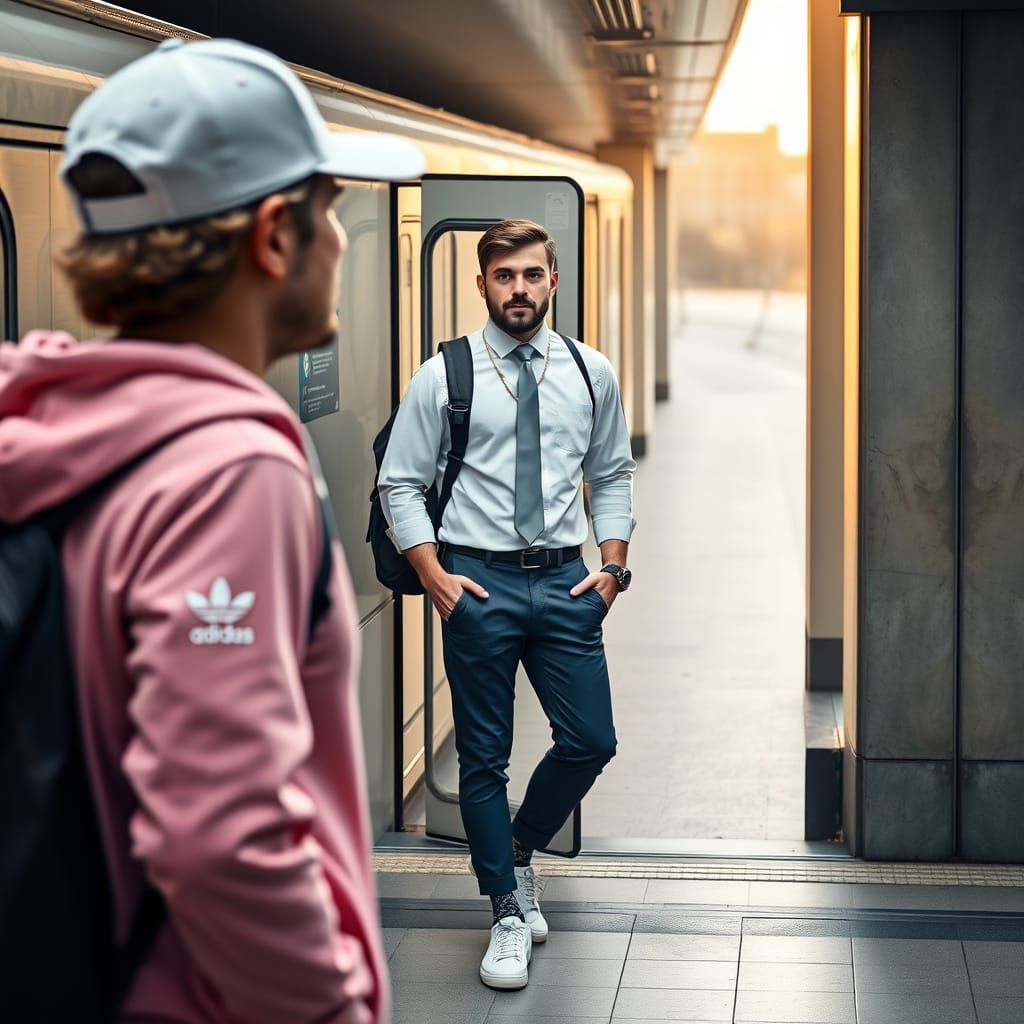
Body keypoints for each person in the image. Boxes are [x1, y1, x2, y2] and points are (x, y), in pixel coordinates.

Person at [0, 38, 423, 1023]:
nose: (345, 239)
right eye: (332, 209)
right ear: (275, 236)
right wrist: (329, 1007)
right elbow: (218, 829)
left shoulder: (50, 422)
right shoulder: (229, 474)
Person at [378, 219, 636, 990]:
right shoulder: (443, 376)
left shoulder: (591, 373)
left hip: (564, 582)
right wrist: (432, 574)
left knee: (591, 739)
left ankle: (519, 852)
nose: (517, 289)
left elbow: (612, 474)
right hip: (476, 584)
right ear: (482, 283)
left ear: (553, 281)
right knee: (482, 758)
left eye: (531, 275)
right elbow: (400, 482)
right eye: (502, 276)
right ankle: (505, 911)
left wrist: (613, 569)